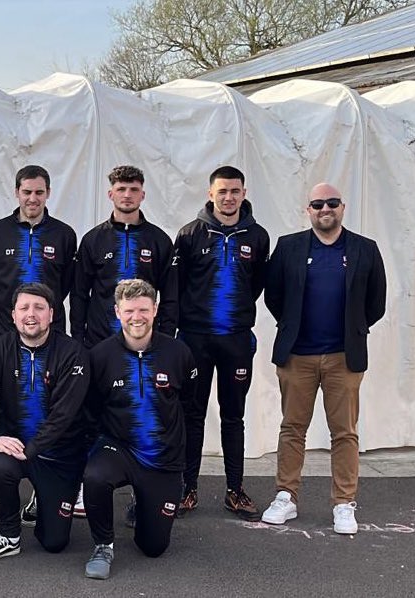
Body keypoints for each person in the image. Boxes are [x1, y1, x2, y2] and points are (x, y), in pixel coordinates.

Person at [260, 183, 386, 535]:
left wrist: (353, 331)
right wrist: (291, 326)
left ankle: (344, 503)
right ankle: (286, 496)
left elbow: (376, 303)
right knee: (292, 428)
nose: (325, 208)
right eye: (318, 204)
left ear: (342, 207)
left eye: (332, 203)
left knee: (344, 432)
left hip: (344, 357)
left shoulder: (364, 249)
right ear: (309, 209)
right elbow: (274, 296)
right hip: (297, 356)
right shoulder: (289, 247)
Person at [0, 283, 90, 562]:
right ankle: (10, 535)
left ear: (52, 314)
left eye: (39, 307)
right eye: (24, 308)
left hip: (59, 457)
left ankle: (42, 498)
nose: (32, 314)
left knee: (54, 543)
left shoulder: (73, 352)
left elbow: (62, 416)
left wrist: (30, 450)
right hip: (15, 451)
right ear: (13, 315)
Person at [82, 279, 197, 580]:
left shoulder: (178, 353)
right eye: (130, 310)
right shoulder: (100, 356)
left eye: (144, 310)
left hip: (163, 458)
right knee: (95, 476)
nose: (137, 317)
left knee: (153, 547)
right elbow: (91, 409)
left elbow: (190, 406)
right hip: (118, 448)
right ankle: (103, 545)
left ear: (155, 310)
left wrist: (181, 459)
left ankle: (143, 504)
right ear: (117, 312)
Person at [173, 165, 270, 520]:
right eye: (222, 191)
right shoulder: (190, 234)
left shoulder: (258, 236)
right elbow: (177, 286)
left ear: (244, 193)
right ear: (210, 194)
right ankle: (187, 488)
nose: (229, 197)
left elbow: (256, 284)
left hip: (236, 341)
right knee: (191, 414)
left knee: (234, 416)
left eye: (235, 191)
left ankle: (235, 490)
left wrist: (237, 318)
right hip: (195, 341)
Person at [72, 165, 177, 348]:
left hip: (146, 341)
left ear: (142, 195)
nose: (127, 195)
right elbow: (79, 293)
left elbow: (170, 296)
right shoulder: (93, 239)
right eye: (121, 189)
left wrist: (165, 338)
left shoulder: (159, 240)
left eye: (134, 190)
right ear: (111, 194)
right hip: (100, 341)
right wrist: (78, 339)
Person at [0, 165, 76, 339]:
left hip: (50, 333)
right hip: (4, 331)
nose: (32, 199)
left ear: (48, 193)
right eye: (27, 192)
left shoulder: (64, 234)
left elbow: (65, 283)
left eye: (39, 192)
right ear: (16, 192)